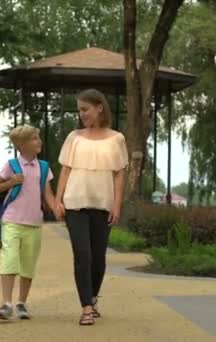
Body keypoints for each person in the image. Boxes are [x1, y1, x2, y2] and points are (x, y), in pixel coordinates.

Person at [55, 89, 128, 326]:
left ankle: (93, 297)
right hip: (75, 202)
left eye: (85, 109)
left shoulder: (117, 138)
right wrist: (58, 200)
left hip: (103, 204)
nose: (82, 115)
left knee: (98, 258)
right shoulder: (73, 137)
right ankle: (86, 307)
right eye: (79, 111)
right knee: (82, 255)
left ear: (99, 107)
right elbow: (65, 170)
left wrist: (116, 205)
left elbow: (119, 175)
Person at [0, 124, 57, 321]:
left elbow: (48, 195)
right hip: (11, 220)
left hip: (34, 223)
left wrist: (58, 208)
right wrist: (10, 182)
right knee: (9, 260)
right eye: (35, 138)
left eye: (38, 138)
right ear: (21, 144)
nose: (39, 141)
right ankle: (6, 304)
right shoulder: (11, 165)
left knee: (28, 264)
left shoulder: (44, 167)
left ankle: (21, 303)